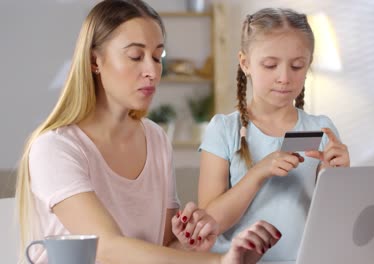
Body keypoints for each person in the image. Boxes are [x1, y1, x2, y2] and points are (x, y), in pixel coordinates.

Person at [15, 1, 281, 263]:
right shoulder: (55, 148)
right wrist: (219, 261)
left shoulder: (155, 138)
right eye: (135, 56)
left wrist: (190, 243)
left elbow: (161, 249)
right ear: (95, 61)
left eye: (157, 57)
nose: (152, 71)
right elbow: (105, 247)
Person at [198, 7, 351, 261]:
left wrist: (335, 178)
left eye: (297, 66)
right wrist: (259, 171)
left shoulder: (322, 129)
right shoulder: (223, 130)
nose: (284, 77)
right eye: (270, 65)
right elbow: (208, 224)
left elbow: (335, 224)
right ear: (245, 63)